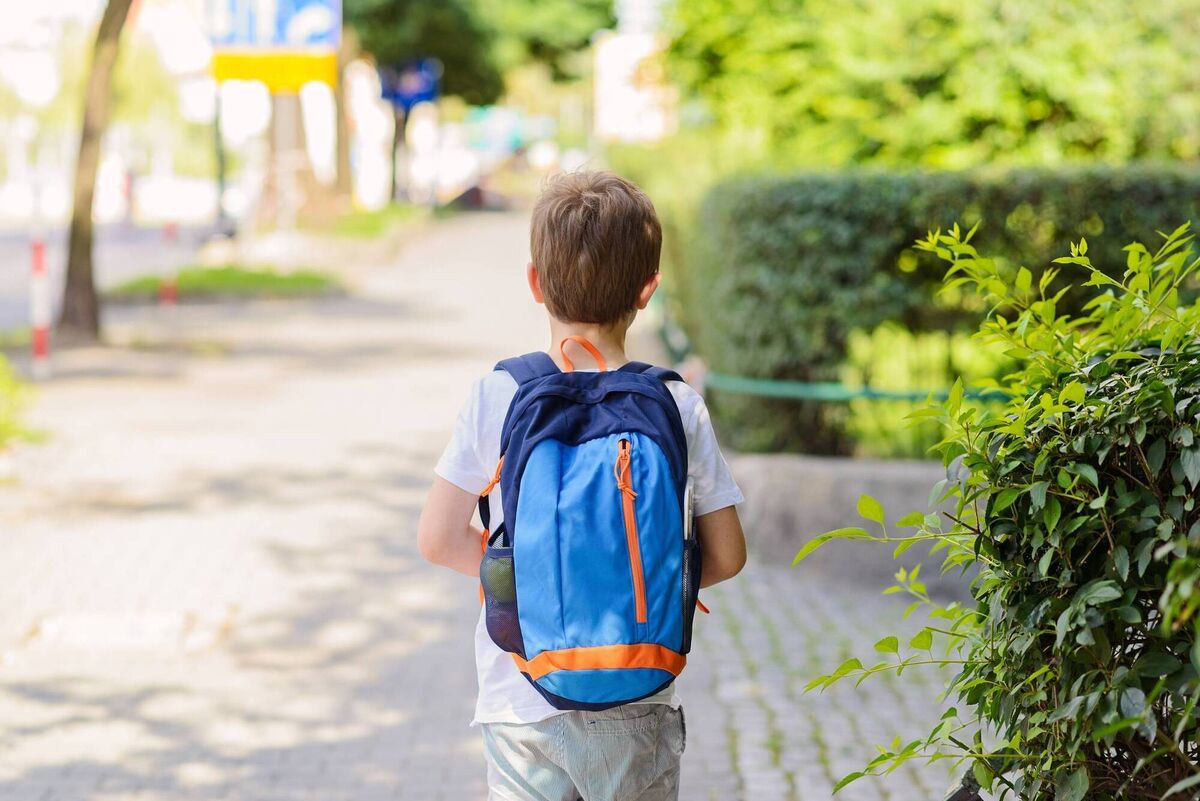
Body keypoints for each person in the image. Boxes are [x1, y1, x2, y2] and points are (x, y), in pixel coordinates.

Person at [418, 170, 747, 801]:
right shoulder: (677, 404)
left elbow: (437, 539)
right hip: (634, 687)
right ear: (648, 289)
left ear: (536, 283)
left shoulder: (500, 393)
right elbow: (728, 555)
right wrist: (629, 575)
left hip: (520, 696)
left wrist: (540, 583)